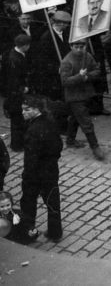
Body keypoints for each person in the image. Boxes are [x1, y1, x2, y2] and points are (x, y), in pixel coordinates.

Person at [20, 98, 63, 242]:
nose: (23, 112)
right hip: (51, 170)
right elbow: (59, 145)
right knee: (52, 202)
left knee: (28, 203)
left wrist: (27, 175)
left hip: (35, 174)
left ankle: (28, 233)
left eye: (27, 109)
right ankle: (55, 232)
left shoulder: (33, 130)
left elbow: (30, 158)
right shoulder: (51, 121)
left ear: (37, 109)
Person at [60, 38, 105, 160]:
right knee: (86, 122)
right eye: (76, 47)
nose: (79, 49)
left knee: (75, 118)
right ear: (71, 46)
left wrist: (87, 77)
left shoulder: (88, 56)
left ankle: (70, 140)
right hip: (74, 96)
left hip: (86, 94)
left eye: (81, 47)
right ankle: (95, 147)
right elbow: (65, 82)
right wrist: (80, 76)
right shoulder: (67, 61)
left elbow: (97, 70)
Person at [1, 34, 31, 151]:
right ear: (25, 46)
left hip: (12, 94)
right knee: (17, 119)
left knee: (17, 119)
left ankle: (17, 143)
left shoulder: (12, 53)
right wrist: (22, 89)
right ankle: (17, 145)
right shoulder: (16, 59)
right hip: (15, 95)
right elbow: (13, 79)